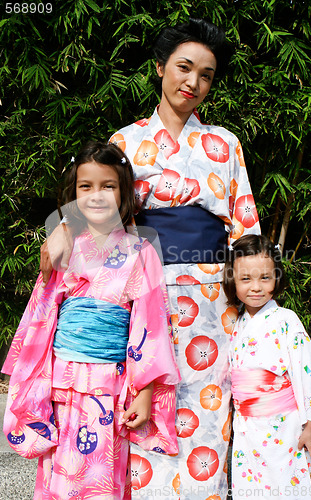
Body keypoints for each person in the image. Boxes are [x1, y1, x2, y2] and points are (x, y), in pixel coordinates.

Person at [40, 18, 260, 499]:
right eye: (184, 67)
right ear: (159, 68)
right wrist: (61, 227)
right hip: (140, 299)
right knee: (141, 409)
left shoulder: (225, 144)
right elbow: (98, 203)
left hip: (209, 302)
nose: (193, 83)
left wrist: (254, 305)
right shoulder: (126, 141)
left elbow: (246, 229)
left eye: (206, 75)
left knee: (205, 409)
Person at [2, 142, 181, 500]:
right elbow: (42, 317)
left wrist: (145, 392)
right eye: (86, 187)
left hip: (107, 386)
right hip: (62, 381)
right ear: (73, 193)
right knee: (57, 478)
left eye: (108, 186)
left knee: (100, 479)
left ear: (124, 192)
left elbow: (150, 326)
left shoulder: (141, 252)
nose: (96, 195)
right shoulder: (65, 245)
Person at [223, 234, 311, 500]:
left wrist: (310, 426)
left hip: (283, 427)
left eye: (265, 278)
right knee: (250, 489)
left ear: (276, 279)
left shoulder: (286, 320)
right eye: (246, 279)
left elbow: (306, 373)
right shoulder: (239, 323)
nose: (255, 287)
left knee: (285, 486)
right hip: (247, 427)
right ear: (233, 281)